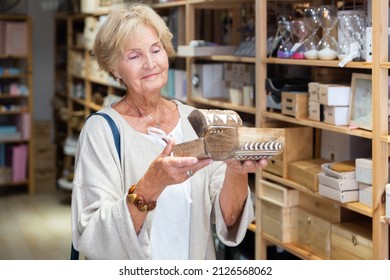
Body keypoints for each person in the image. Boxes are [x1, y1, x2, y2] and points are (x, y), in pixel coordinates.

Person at [71, 3, 268, 260]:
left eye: (156, 49)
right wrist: (150, 186)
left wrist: (236, 171)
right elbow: (92, 234)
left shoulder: (194, 121)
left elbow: (229, 217)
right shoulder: (101, 131)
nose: (150, 63)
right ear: (113, 69)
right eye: (134, 56)